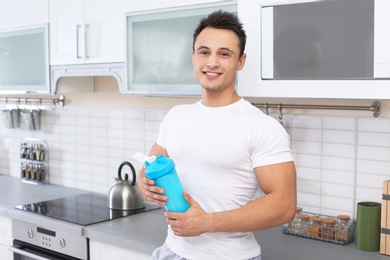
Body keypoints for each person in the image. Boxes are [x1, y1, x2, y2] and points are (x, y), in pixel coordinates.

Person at [137, 10, 297, 260]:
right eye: (204, 52)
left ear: (240, 61)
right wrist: (144, 183)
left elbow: (284, 205)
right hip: (171, 251)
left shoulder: (261, 126)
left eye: (224, 54)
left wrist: (206, 223)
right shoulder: (176, 116)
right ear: (193, 56)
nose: (212, 62)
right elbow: (150, 164)